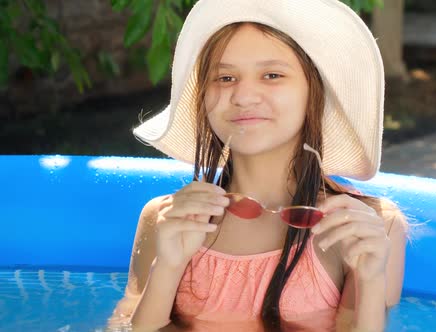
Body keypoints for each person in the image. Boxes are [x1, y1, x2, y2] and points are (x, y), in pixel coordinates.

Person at [109, 0, 408, 331]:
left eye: (272, 75)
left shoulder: (369, 229)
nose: (243, 95)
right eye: (225, 77)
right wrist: (166, 267)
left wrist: (370, 281)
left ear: (315, 92)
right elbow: (123, 326)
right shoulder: (167, 219)